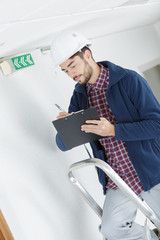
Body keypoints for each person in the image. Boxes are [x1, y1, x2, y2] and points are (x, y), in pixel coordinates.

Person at [51, 31, 160, 240]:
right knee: (112, 230)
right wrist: (68, 125)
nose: (71, 74)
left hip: (150, 170)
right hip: (118, 178)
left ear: (87, 55)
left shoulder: (129, 80)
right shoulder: (80, 96)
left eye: (72, 65)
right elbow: (62, 145)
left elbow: (157, 125)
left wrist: (113, 130)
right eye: (65, 71)